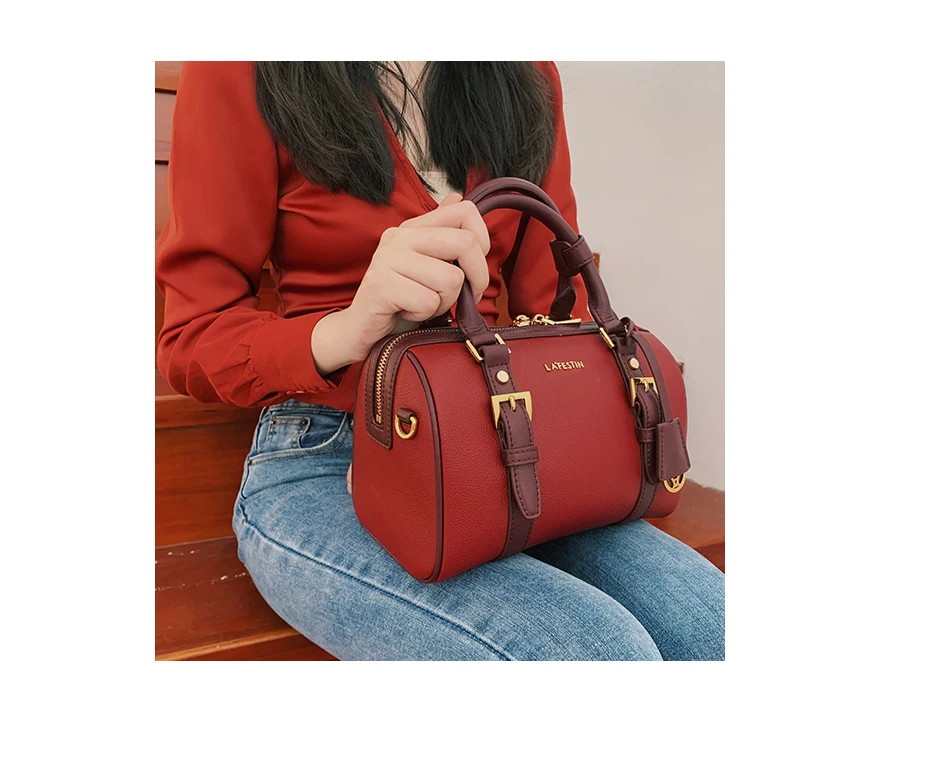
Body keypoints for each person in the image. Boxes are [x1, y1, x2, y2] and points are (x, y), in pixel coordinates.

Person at [156, 61, 724, 660]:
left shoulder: (526, 72)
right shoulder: (241, 65)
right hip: (328, 451)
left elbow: (556, 310)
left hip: (503, 442)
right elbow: (191, 337)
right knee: (598, 653)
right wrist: (349, 329)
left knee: (714, 628)